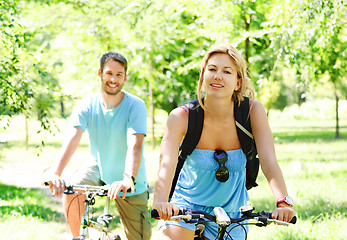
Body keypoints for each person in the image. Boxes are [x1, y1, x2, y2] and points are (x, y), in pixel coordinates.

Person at [152, 44, 296, 239]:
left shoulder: (252, 112)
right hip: (184, 208)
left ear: (238, 82)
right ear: (203, 76)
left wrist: (283, 203)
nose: (218, 75)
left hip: (233, 212)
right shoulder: (181, 117)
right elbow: (166, 163)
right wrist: (161, 203)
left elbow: (269, 161)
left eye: (227, 71)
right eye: (212, 69)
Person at [46, 52, 152, 240]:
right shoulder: (86, 105)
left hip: (130, 177)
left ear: (125, 77)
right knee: (73, 188)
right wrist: (56, 173)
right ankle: (77, 237)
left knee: (139, 238)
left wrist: (128, 179)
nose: (113, 79)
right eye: (109, 73)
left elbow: (135, 144)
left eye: (119, 74)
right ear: (100, 73)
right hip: (99, 166)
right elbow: (72, 139)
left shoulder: (136, 105)